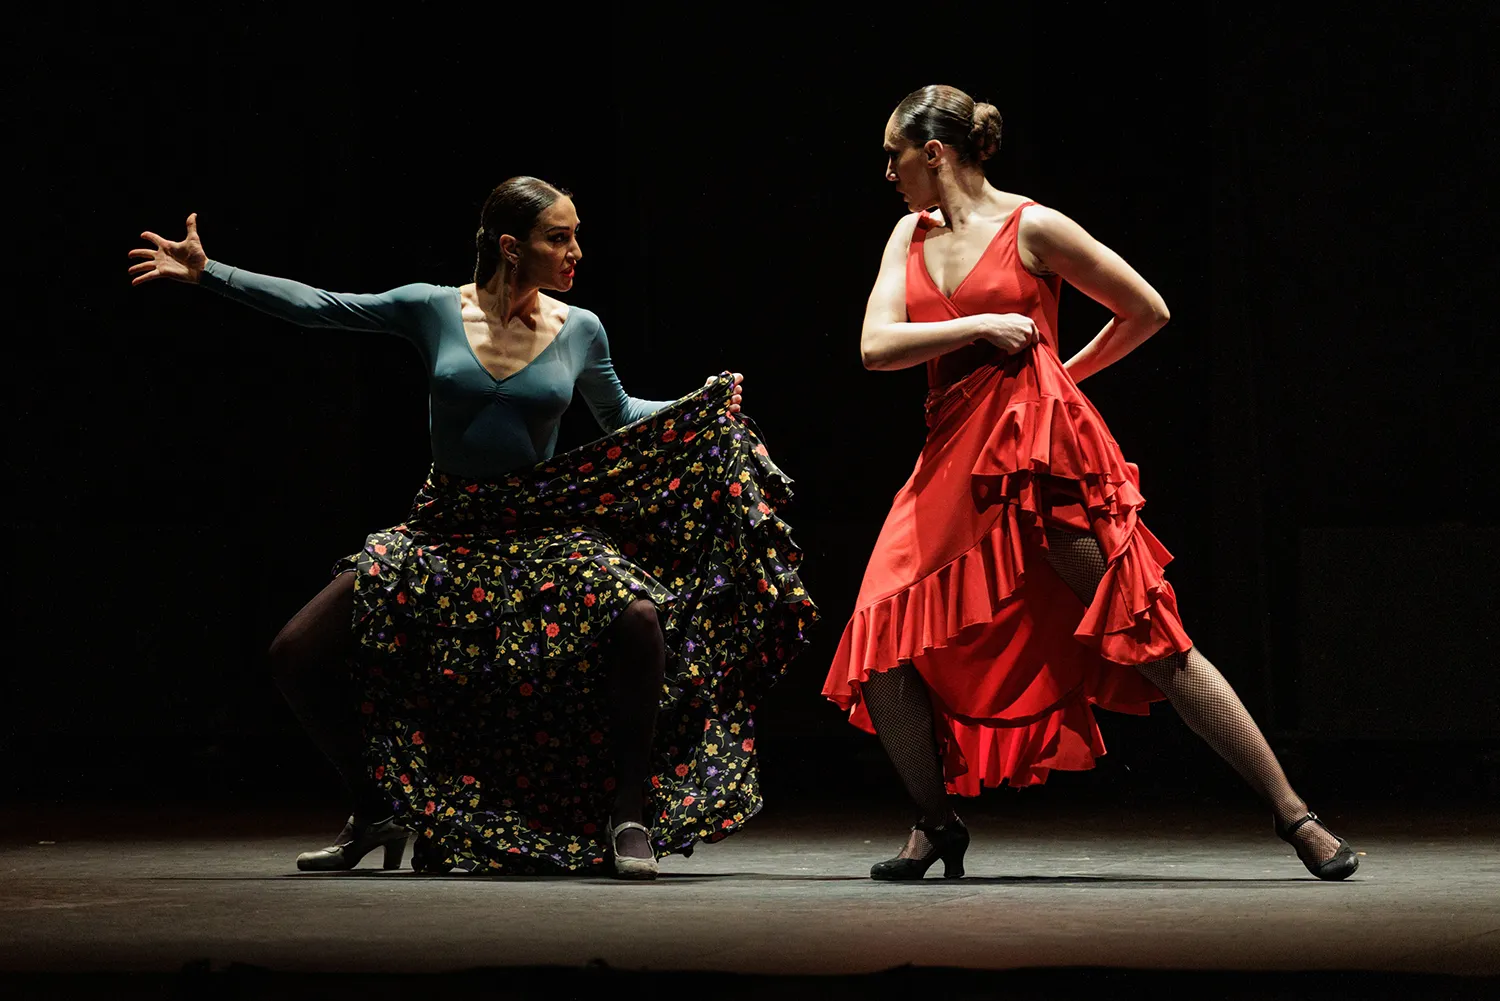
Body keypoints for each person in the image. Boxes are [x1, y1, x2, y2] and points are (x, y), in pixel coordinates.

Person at [129, 177, 816, 879]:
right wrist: (210, 273)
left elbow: (620, 414)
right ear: (512, 247)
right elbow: (322, 307)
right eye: (560, 237)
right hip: (444, 530)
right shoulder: (433, 309)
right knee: (295, 651)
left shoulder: (579, 328)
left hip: (535, 529)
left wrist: (700, 406)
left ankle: (628, 813)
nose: (576, 251)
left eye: (576, 236)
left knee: (639, 617)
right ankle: (376, 808)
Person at [822, 86, 1357, 882]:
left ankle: (1295, 814)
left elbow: (1146, 309)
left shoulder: (1032, 226)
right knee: (882, 639)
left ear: (933, 154)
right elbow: (876, 346)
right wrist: (980, 325)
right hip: (950, 470)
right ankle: (935, 823)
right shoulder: (910, 234)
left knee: (1149, 634)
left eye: (894, 155)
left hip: (1037, 468)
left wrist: (1060, 378)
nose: (888, 172)